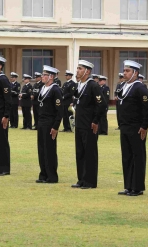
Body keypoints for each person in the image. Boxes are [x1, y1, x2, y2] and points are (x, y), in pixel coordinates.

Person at [117, 61, 148, 196]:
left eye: (127, 71)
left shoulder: (140, 88)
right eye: (124, 70)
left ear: (135, 73)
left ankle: (137, 187)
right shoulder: (123, 86)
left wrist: (144, 126)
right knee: (126, 157)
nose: (124, 73)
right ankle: (128, 186)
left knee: (137, 157)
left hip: (136, 127)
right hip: (125, 127)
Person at [71, 60, 106, 189]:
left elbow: (102, 105)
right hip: (80, 124)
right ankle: (81, 179)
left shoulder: (93, 86)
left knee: (90, 153)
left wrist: (96, 121)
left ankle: (90, 181)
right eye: (77, 68)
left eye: (80, 68)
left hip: (89, 125)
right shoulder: (79, 85)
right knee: (80, 153)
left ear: (87, 71)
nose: (77, 71)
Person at [36, 65, 64, 184]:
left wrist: (55, 126)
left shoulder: (55, 89)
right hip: (41, 122)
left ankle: (52, 176)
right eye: (42, 75)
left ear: (51, 77)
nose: (42, 77)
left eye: (45, 75)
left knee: (49, 150)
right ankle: (43, 174)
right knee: (41, 149)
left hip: (50, 123)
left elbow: (60, 110)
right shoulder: (43, 88)